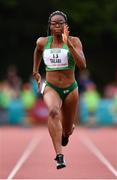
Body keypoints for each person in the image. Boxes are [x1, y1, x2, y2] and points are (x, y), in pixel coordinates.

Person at [33, 10, 86, 169]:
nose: (57, 26)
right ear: (49, 26)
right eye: (54, 23)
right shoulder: (43, 42)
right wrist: (35, 70)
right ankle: (59, 155)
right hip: (51, 87)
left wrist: (68, 44)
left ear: (65, 25)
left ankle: (67, 132)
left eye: (60, 23)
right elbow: (37, 51)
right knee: (53, 112)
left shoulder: (74, 41)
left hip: (71, 89)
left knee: (67, 131)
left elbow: (82, 65)